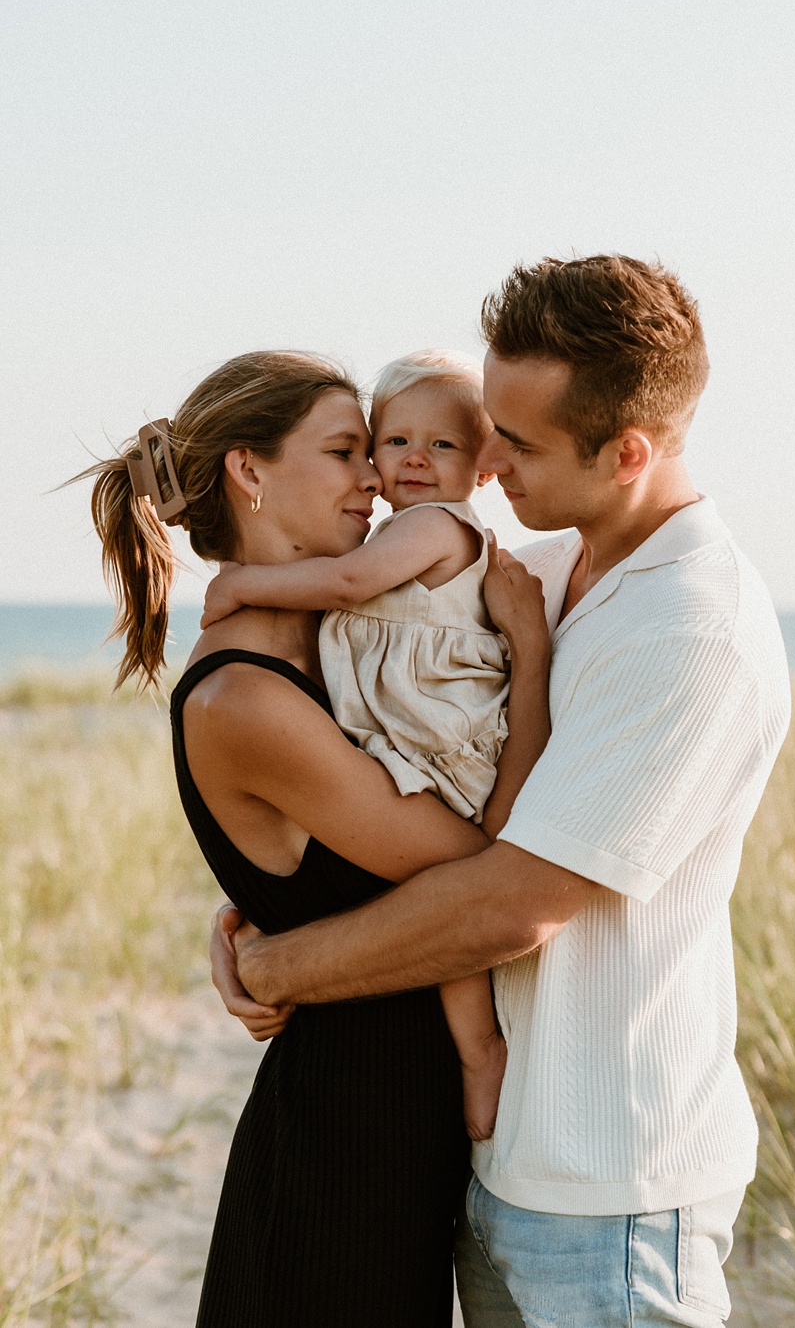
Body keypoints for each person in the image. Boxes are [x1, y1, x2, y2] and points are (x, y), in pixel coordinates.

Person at [212, 258, 793, 1328]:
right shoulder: (544, 570)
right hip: (501, 1160)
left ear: (627, 453)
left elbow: (512, 901)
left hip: (612, 1198)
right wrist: (268, 896)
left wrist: (279, 962)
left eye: (514, 445)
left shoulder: (689, 629)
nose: (487, 463)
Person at [78, 350, 552, 1328]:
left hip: (403, 1131)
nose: (375, 476)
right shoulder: (246, 691)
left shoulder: (345, 642)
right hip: (341, 1147)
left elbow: (325, 862)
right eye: (345, 450)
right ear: (249, 472)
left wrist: (257, 931)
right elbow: (486, 866)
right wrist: (532, 651)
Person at [200, 350, 533, 1141]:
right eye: (371, 448)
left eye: (442, 446)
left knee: (468, 882)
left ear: (481, 464)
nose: (394, 469)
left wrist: (243, 582)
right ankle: (478, 1050)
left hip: (441, 749)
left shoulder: (402, 555)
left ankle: (478, 1049)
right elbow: (450, 868)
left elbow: (348, 589)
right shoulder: (251, 682)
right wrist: (253, 917)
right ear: (248, 471)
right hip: (344, 1112)